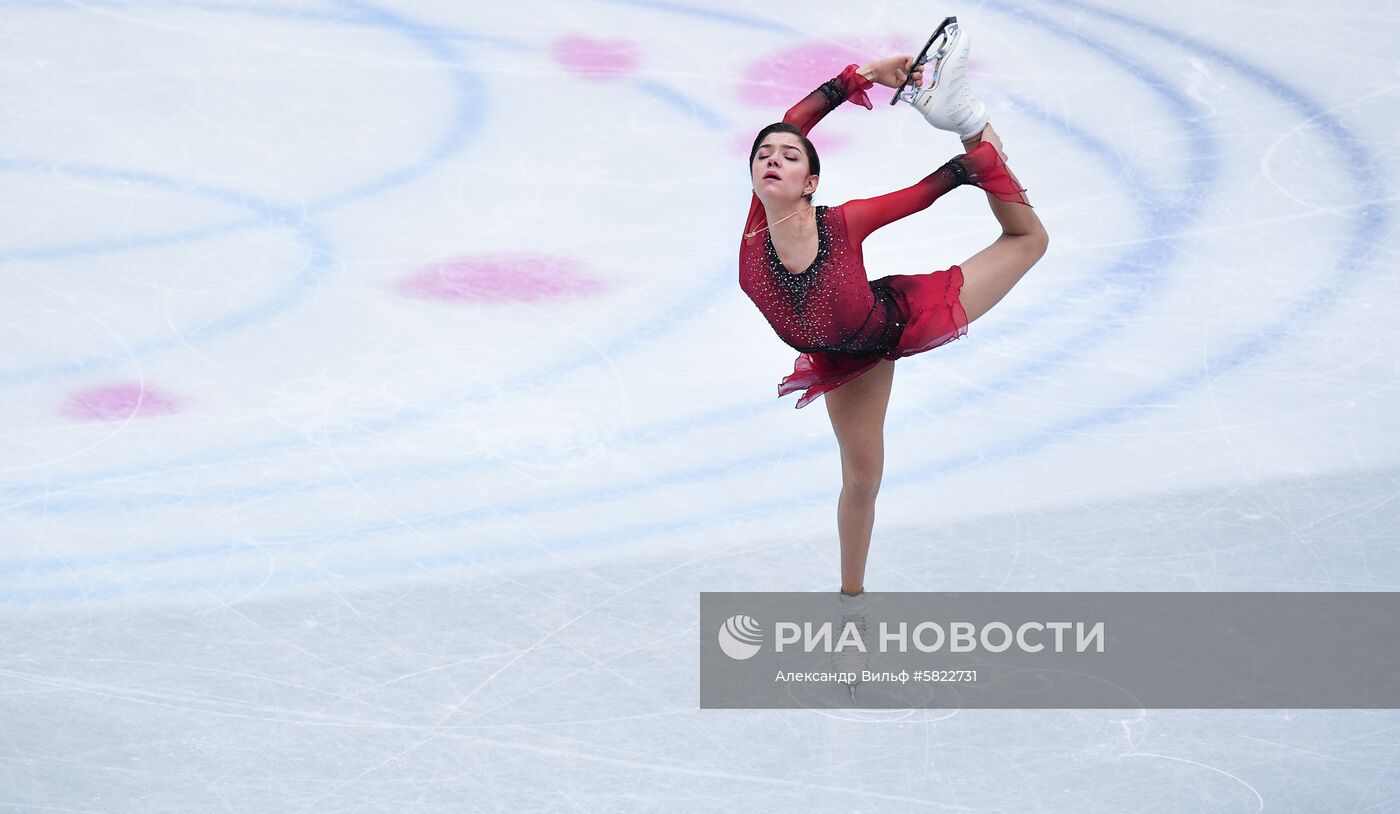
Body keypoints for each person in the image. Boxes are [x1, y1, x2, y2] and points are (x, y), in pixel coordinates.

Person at [738, 23, 1048, 678]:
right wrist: (853, 79)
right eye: (764, 154)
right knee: (863, 480)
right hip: (846, 361)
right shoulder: (754, 227)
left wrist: (973, 160)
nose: (773, 157)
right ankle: (852, 606)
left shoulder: (842, 223)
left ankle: (966, 113)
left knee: (1028, 239)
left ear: (810, 183)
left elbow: (927, 193)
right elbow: (793, 122)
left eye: (789, 158)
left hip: (897, 321)